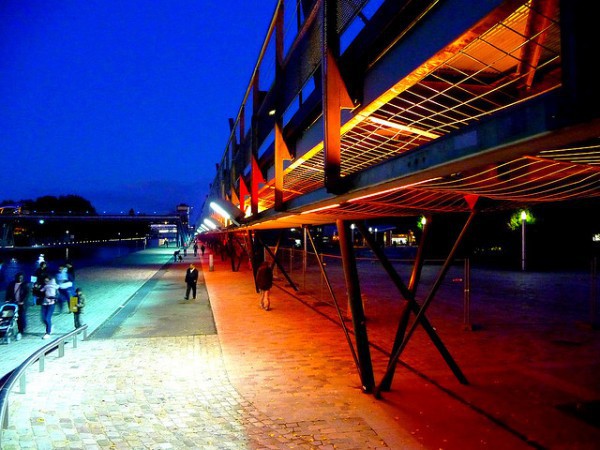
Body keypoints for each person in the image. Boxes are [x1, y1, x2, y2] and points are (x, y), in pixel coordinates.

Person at [4, 272, 29, 339]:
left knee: (21, 316)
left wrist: (23, 301)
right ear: (16, 277)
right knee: (16, 317)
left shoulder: (24, 284)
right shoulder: (12, 284)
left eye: (21, 278)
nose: (20, 279)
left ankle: (22, 329)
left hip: (22, 304)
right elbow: (8, 292)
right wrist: (7, 299)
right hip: (14, 303)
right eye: (19, 277)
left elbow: (27, 294)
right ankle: (19, 329)